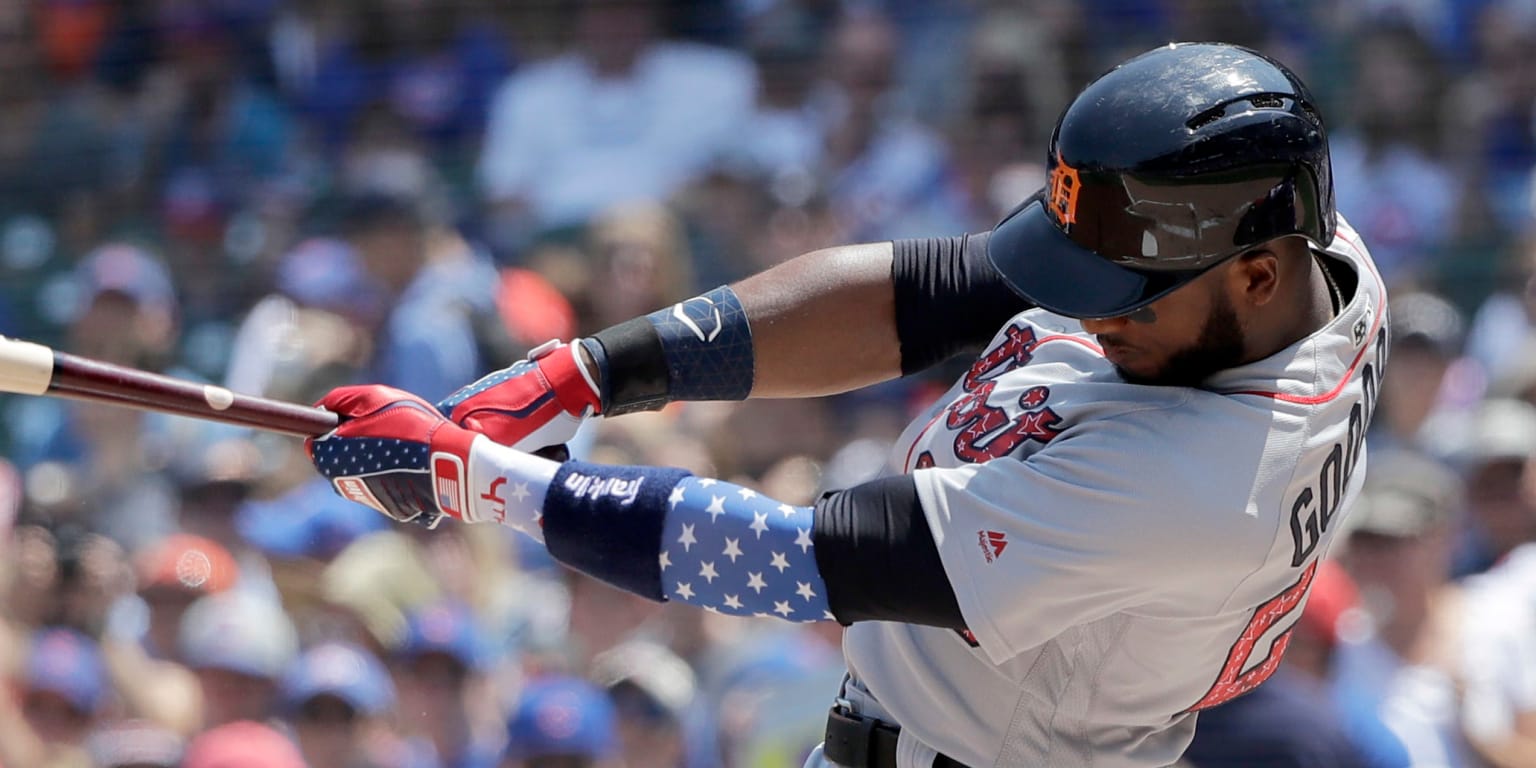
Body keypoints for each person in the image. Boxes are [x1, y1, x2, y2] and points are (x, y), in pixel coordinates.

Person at [309, 42, 1387, 768]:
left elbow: (803, 558)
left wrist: (482, 483)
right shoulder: (1313, 262)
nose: (1092, 315)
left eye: (1123, 301)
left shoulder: (1199, 490)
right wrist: (590, 369)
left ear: (1254, 276)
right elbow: (930, 292)